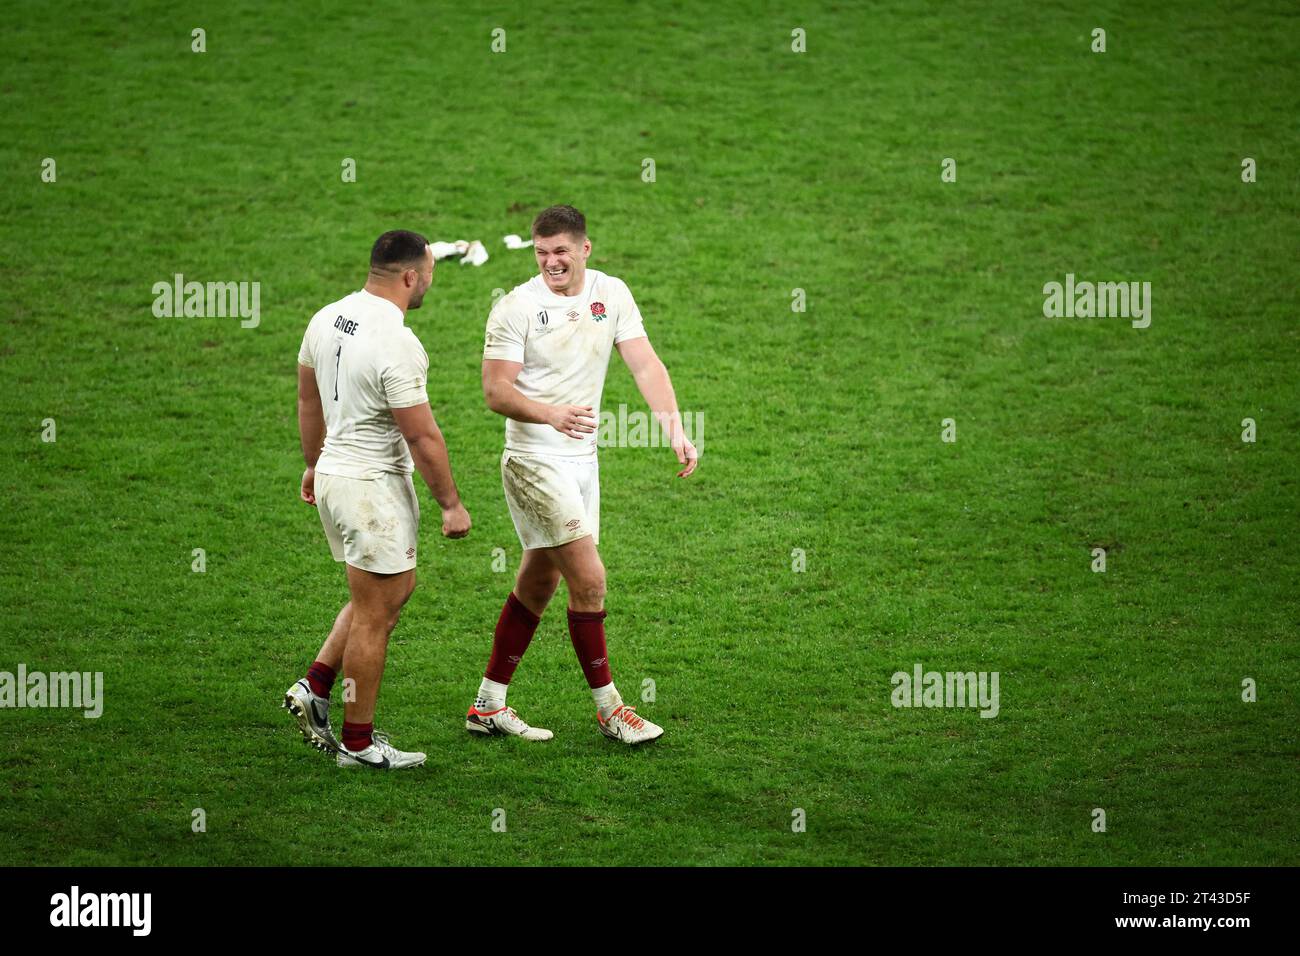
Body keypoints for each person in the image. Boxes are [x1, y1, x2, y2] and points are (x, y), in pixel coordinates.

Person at [467, 205, 698, 745]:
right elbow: (495, 391)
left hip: (581, 463)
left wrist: (675, 429)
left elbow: (646, 364)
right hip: (532, 461)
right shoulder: (515, 307)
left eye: (561, 252)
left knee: (540, 580)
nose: (551, 263)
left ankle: (487, 704)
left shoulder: (611, 293)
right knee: (589, 580)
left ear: (584, 249)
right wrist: (551, 414)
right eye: (542, 253)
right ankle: (612, 710)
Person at [286, 230, 471, 770]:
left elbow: (307, 396)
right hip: (371, 488)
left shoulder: (326, 317)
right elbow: (423, 436)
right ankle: (359, 745)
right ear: (412, 276)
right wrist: (451, 504)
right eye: (429, 272)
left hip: (334, 478)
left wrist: (315, 461)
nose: (430, 281)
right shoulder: (398, 342)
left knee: (382, 596)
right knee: (376, 615)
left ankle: (315, 687)